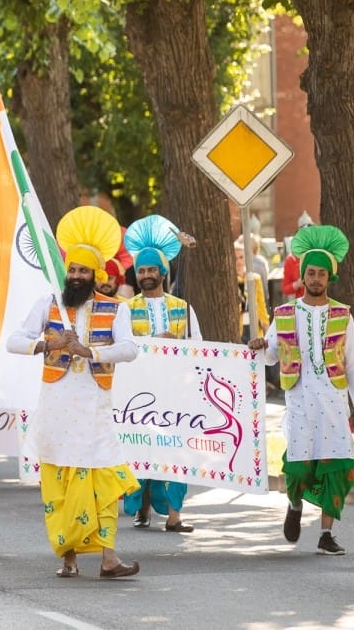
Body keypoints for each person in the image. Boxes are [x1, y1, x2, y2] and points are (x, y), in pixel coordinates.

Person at [6, 205, 141, 579]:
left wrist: (91, 351)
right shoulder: (49, 305)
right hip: (57, 411)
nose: (77, 276)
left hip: (95, 411)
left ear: (96, 275)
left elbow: (130, 349)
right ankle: (69, 559)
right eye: (73, 269)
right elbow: (14, 341)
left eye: (84, 270)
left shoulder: (116, 310)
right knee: (62, 484)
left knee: (106, 479)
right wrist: (48, 345)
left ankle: (109, 559)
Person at [248, 225, 354, 556]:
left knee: (338, 467)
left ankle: (326, 534)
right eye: (311, 272)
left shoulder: (343, 316)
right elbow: (272, 353)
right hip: (300, 402)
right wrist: (260, 344)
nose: (316, 278)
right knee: (300, 468)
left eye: (321, 273)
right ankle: (294, 504)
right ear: (303, 276)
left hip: (333, 403)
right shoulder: (286, 314)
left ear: (330, 277)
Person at [121, 214, 202, 533]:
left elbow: (197, 346)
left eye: (152, 269)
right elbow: (123, 345)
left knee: (174, 451)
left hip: (174, 393)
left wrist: (177, 344)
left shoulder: (182, 308)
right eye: (141, 270)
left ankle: (174, 514)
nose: (146, 275)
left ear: (163, 272)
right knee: (141, 448)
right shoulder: (125, 310)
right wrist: (153, 342)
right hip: (139, 392)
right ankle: (141, 508)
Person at [235, 240, 270, 342]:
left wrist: (266, 331)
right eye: (235, 258)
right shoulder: (231, 281)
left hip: (254, 326)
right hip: (239, 328)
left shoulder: (255, 279)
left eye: (241, 257)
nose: (239, 262)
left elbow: (261, 306)